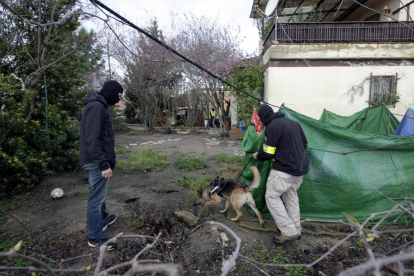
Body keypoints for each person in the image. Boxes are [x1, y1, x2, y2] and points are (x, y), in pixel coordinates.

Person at [253, 105, 310, 244]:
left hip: (284, 170)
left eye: (260, 119)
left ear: (264, 118)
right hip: (300, 168)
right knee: (291, 196)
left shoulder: (272, 127)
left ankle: (289, 231)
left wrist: (257, 156)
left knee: (271, 197)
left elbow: (268, 152)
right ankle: (296, 229)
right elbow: (304, 143)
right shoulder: (293, 123)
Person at [79, 80, 124, 250]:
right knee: (96, 199)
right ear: (111, 92)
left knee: (99, 194)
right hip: (96, 162)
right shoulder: (97, 107)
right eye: (118, 95)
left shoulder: (98, 106)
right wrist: (103, 164)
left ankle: (103, 219)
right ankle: (95, 237)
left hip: (96, 161)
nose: (119, 98)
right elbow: (92, 139)